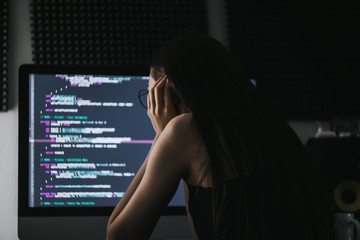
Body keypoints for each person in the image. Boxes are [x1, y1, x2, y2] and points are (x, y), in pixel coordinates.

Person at [106, 32, 336, 240]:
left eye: (153, 96)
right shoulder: (273, 127)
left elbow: (117, 235)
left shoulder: (185, 132)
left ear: (170, 92)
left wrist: (162, 135)